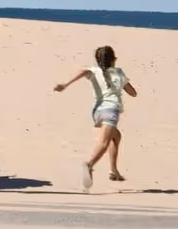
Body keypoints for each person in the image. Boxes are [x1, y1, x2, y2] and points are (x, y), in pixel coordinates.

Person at [54, 45, 136, 191]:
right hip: (111, 111)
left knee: (116, 136)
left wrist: (66, 84)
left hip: (97, 112)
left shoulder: (93, 71)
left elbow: (83, 71)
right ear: (114, 60)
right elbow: (133, 92)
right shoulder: (118, 73)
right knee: (104, 143)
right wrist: (125, 85)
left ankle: (113, 171)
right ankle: (89, 165)